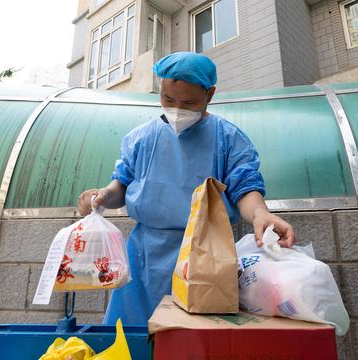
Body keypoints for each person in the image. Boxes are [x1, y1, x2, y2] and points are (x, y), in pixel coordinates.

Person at [78, 51, 296, 325]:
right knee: (131, 338)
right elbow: (121, 185)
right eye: (168, 99)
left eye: (189, 102)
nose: (177, 109)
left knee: (190, 340)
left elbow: (245, 187)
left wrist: (261, 214)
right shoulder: (140, 138)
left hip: (205, 258)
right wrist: (102, 196)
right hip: (144, 257)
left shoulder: (228, 139)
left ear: (210, 94)